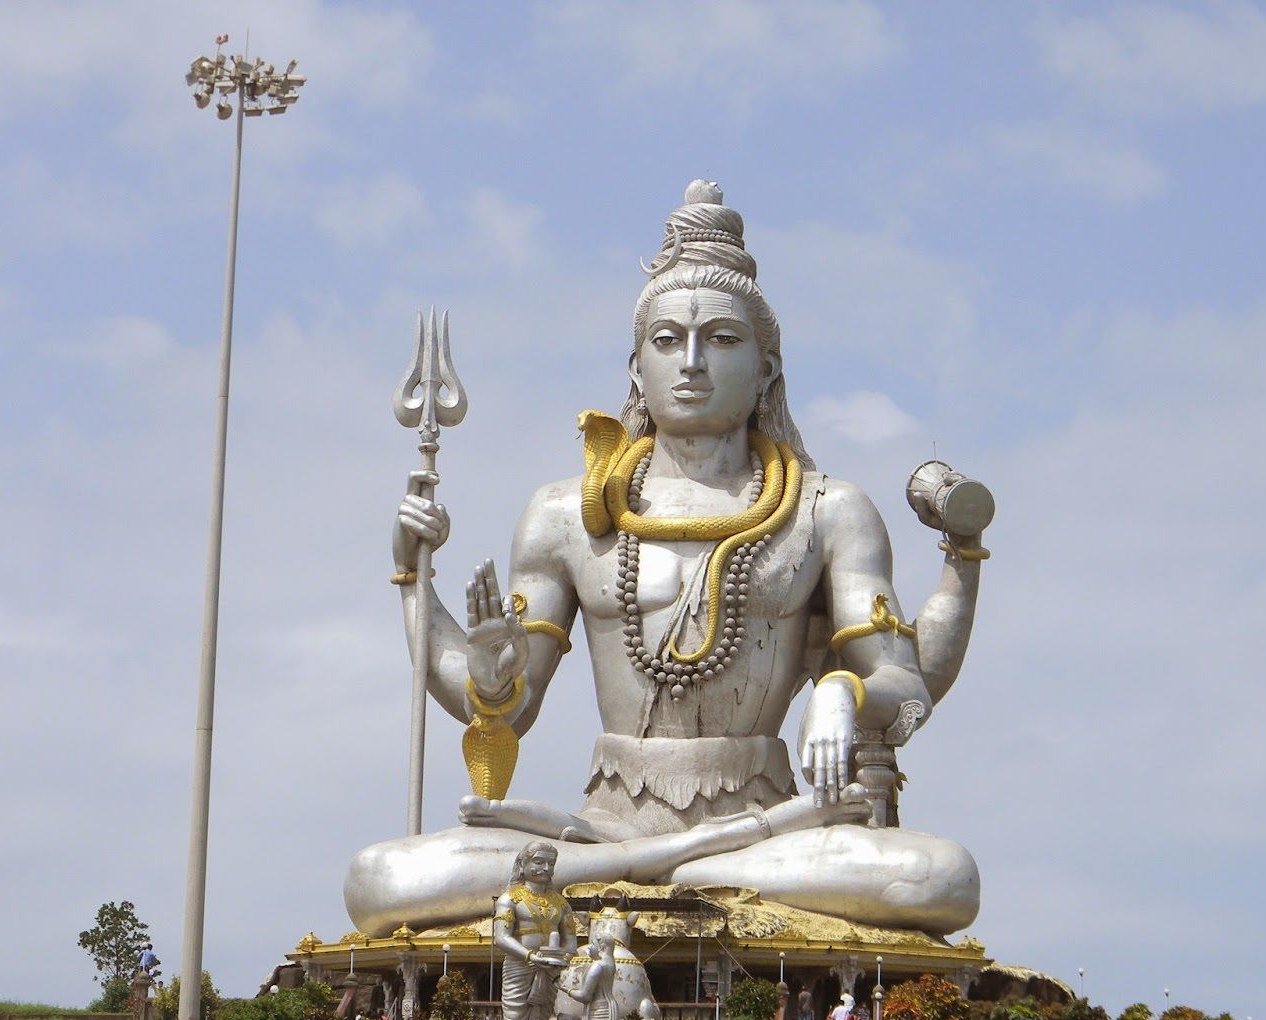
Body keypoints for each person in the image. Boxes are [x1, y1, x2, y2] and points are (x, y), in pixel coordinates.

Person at [353, 181, 989, 941]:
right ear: (636, 369)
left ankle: (651, 870)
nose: (691, 363)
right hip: (601, 824)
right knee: (383, 878)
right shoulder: (564, 515)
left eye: (721, 340)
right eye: (667, 340)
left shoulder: (826, 510)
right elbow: (502, 711)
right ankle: (673, 865)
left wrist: (844, 692)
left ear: (766, 370)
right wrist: (421, 591)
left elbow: (905, 684)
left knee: (940, 876)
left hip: (769, 826)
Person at [492, 841, 576, 1020]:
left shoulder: (560, 903)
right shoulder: (510, 899)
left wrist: (562, 956)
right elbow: (501, 937)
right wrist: (529, 956)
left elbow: (571, 942)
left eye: (551, 863)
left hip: (549, 967)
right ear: (523, 864)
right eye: (539, 862)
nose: (545, 868)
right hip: (520, 965)